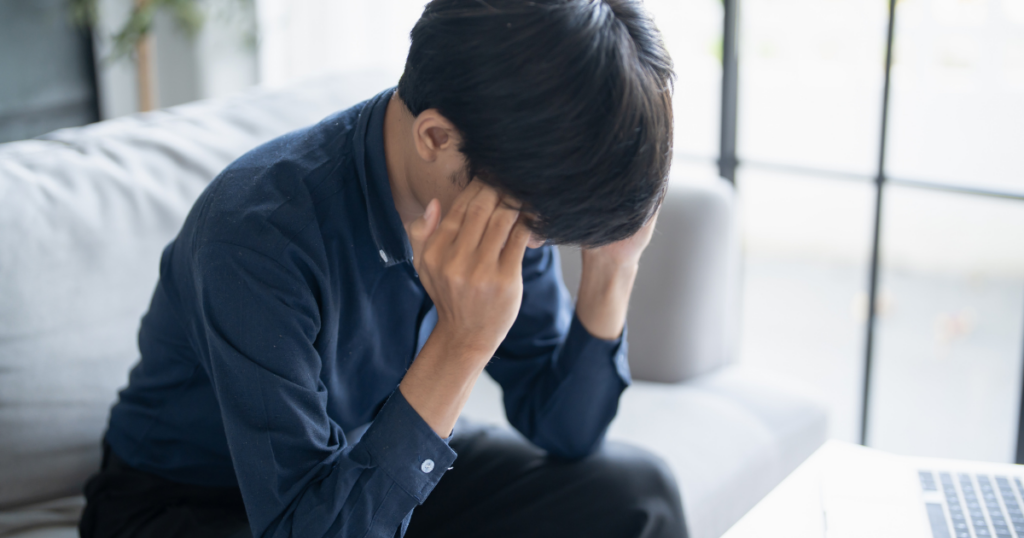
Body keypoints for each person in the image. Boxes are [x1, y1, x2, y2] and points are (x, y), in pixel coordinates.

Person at [78, 0, 685, 537]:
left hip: (364, 454)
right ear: (436, 138)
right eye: (535, 227)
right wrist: (462, 343)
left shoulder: (507, 184)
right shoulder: (256, 236)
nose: (534, 248)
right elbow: (304, 525)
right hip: (194, 505)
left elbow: (564, 428)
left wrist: (612, 268)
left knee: (638, 494)